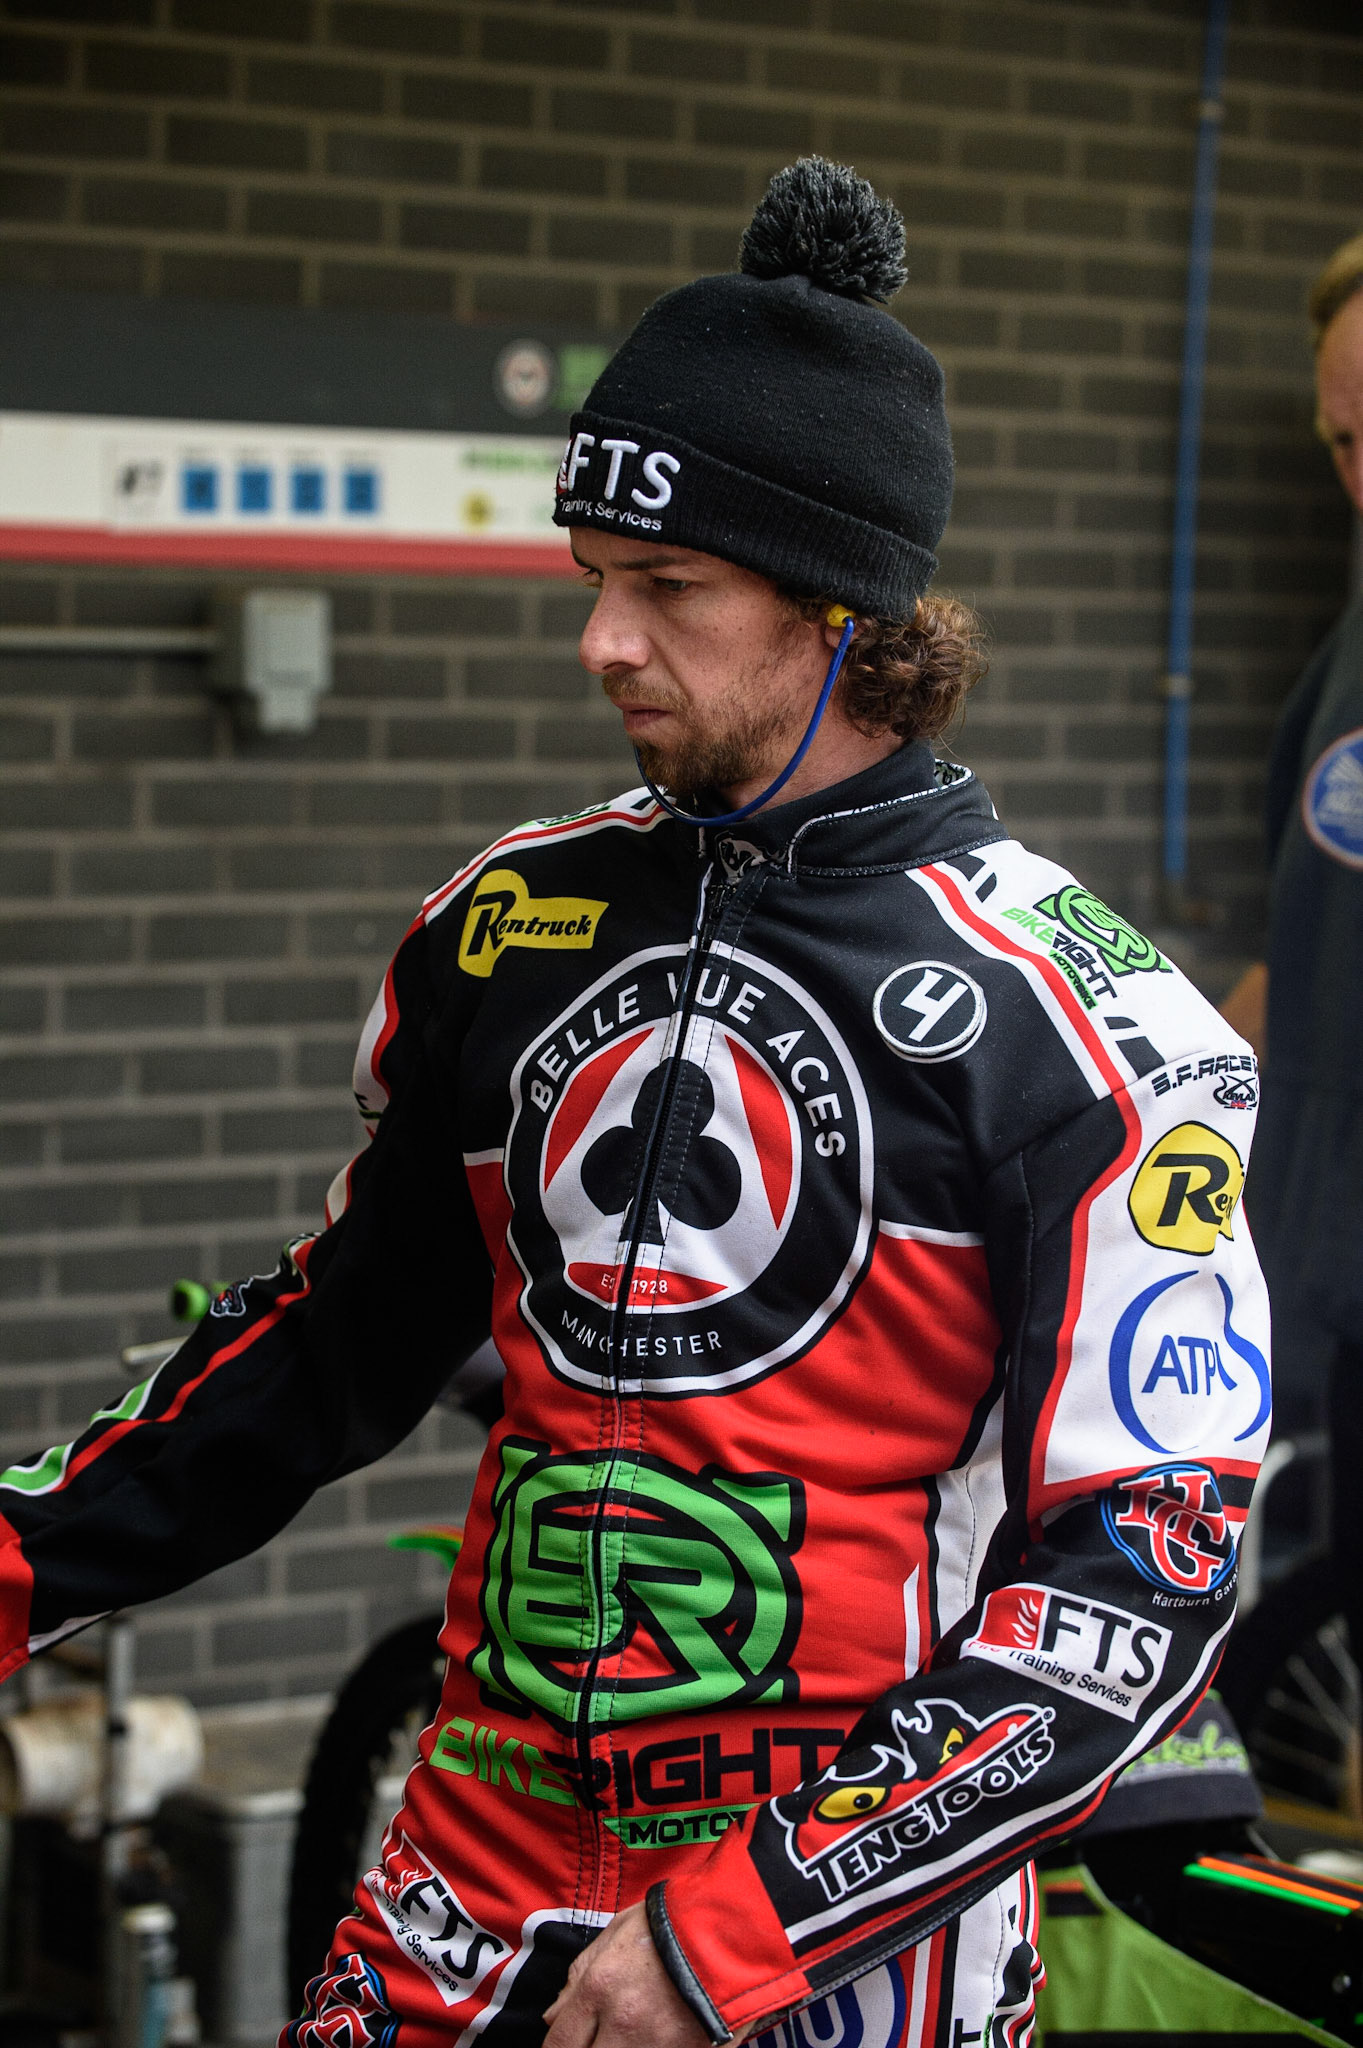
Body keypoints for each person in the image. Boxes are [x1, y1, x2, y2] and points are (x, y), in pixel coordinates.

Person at [0, 161, 1269, 2048]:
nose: (602, 643)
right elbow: (325, 1355)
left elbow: (1139, 1580)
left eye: (668, 591)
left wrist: (740, 1931)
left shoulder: (1087, 1029)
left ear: (848, 610)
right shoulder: (510, 924)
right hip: (463, 1883)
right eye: (597, 584)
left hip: (836, 1946)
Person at [1221, 231, 1363, 1671]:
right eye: (1343, 439)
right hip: (1321, 1272)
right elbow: (1298, 938)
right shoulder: (1346, 652)